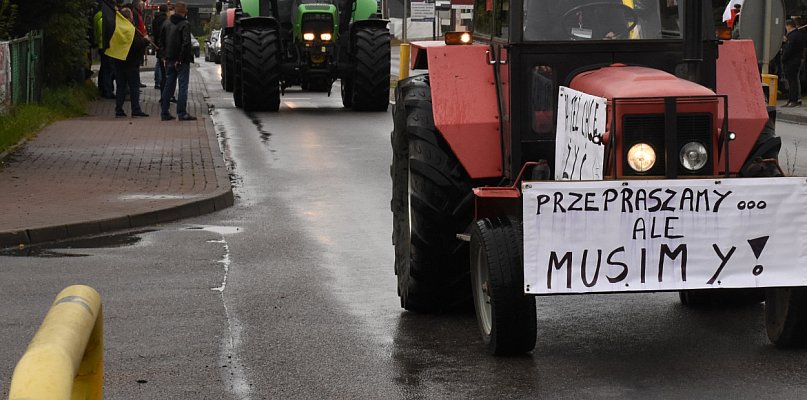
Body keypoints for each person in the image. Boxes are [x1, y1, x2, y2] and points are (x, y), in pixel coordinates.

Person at [161, 1, 196, 121]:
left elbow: (162, 41)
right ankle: (181, 113)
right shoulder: (185, 24)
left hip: (169, 59)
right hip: (181, 61)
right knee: (182, 86)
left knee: (168, 86)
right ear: (185, 11)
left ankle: (164, 112)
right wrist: (181, 59)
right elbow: (186, 43)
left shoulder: (167, 23)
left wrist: (164, 56)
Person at [114, 8, 150, 117]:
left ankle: (118, 109)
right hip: (131, 62)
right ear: (129, 17)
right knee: (134, 86)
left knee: (120, 87)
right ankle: (135, 109)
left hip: (119, 61)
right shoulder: (130, 29)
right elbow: (135, 45)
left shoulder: (117, 29)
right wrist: (145, 41)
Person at [782, 19, 806, 107]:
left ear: (789, 26)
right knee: (794, 80)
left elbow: (789, 49)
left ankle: (793, 100)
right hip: (797, 59)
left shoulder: (792, 36)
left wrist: (783, 58)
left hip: (791, 61)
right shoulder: (799, 34)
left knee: (792, 82)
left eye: (786, 27)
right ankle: (793, 99)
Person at [94, 3, 115, 99]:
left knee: (104, 68)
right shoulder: (108, 15)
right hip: (107, 46)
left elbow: (96, 32)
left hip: (102, 45)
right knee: (108, 69)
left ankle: (102, 88)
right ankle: (108, 91)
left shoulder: (98, 14)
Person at [151, 4, 169, 90]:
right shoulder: (165, 20)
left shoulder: (155, 19)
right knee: (161, 64)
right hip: (162, 43)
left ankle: (157, 81)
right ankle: (159, 82)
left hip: (156, 42)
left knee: (158, 62)